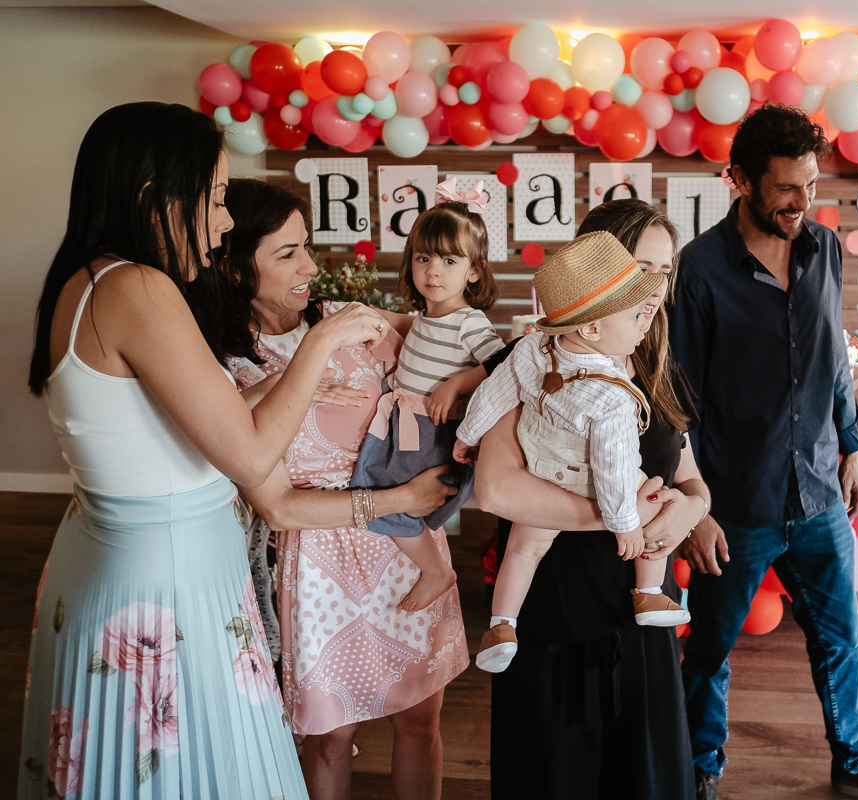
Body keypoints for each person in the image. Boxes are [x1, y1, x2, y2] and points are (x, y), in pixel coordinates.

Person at [20, 102, 387, 798]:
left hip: (116, 555)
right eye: (215, 198)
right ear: (153, 200)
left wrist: (282, 381)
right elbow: (249, 459)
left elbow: (175, 424)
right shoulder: (138, 287)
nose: (222, 223)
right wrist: (322, 342)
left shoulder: (84, 281)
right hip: (164, 583)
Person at [670, 104, 858, 799]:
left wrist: (853, 445)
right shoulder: (701, 270)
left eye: (811, 185)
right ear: (739, 179)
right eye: (785, 189)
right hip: (734, 502)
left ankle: (855, 757)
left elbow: (834, 358)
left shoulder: (825, 248)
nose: (803, 202)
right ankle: (700, 769)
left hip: (818, 493)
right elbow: (679, 398)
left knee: (842, 639)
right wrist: (694, 506)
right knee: (709, 653)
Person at [204, 178, 468, 800]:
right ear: (238, 265)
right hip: (319, 561)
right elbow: (278, 505)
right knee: (326, 737)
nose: (309, 267)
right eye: (286, 253)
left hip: (407, 552)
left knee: (421, 722)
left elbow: (443, 333)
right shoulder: (227, 364)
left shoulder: (353, 323)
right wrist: (401, 501)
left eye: (306, 247)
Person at [474, 198, 709, 799]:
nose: (653, 287)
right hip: (554, 618)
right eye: (639, 267)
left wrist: (691, 510)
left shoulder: (657, 372)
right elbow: (496, 489)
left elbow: (690, 479)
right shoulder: (533, 365)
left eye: (663, 270)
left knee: (644, 780)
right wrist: (618, 518)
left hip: (639, 617)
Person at [455, 231, 689, 673]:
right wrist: (624, 525)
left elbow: (494, 393)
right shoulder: (613, 397)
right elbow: (615, 468)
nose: (646, 319)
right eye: (634, 316)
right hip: (593, 481)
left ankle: (501, 626)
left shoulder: (532, 348)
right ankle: (649, 593)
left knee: (523, 550)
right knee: (652, 498)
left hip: (540, 470)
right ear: (593, 328)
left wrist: (468, 434)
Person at [349, 187, 504, 612]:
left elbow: (503, 363)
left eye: (449, 261)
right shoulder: (423, 316)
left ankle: (436, 571)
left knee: (383, 497)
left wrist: (454, 386)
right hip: (404, 422)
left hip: (431, 429)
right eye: (423, 258)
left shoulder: (468, 321)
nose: (433, 271)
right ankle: (417, 569)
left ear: (473, 272)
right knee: (374, 488)